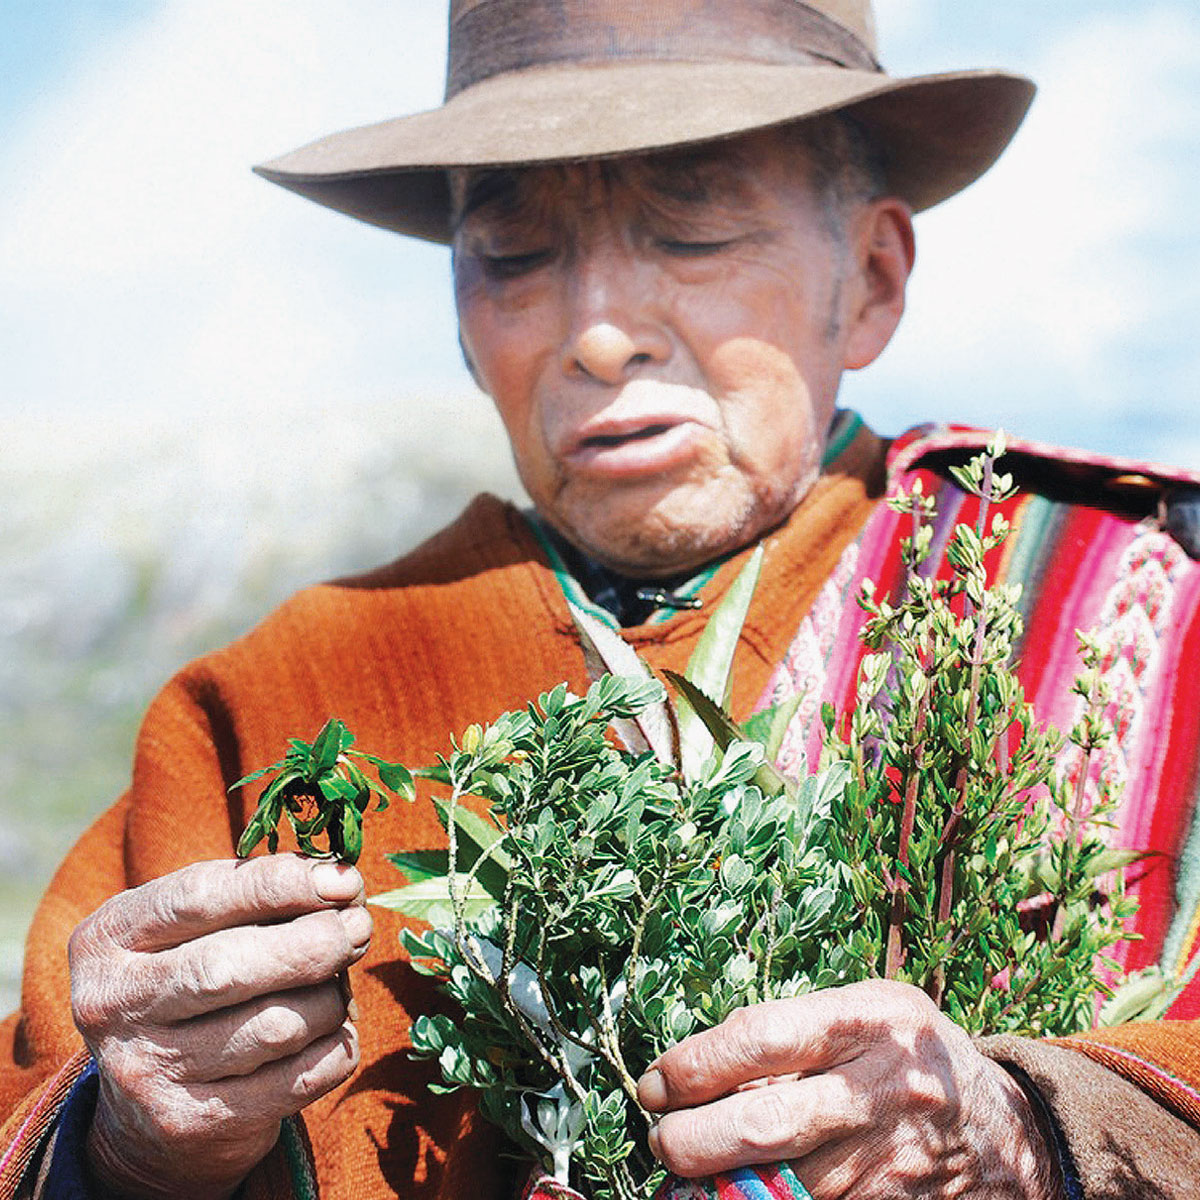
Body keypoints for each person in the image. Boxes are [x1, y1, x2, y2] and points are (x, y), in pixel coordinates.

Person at [3, 2, 1200, 1197]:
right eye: (516, 257)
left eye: (694, 230)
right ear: (462, 322)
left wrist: (1039, 1131)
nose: (600, 334)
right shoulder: (277, 699)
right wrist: (124, 1143)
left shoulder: (1142, 609)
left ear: (873, 277)